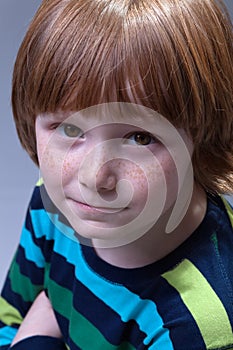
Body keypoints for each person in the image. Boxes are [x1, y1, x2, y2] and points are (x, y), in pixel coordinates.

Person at [1, 0, 233, 349]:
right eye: (67, 129)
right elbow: (8, 320)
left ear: (203, 133)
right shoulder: (55, 205)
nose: (94, 179)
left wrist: (35, 338)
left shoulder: (197, 329)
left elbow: (20, 331)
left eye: (140, 138)